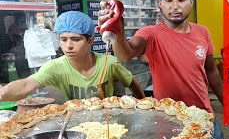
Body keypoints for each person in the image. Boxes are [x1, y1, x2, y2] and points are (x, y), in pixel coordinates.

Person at [98, 0, 224, 139]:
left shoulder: (202, 32)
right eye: (169, 0)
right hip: (169, 124)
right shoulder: (151, 34)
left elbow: (211, 72)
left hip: (205, 117)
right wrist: (118, 31)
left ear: (191, 2)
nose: (175, 6)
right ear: (159, 4)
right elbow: (126, 54)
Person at [0, 11, 145, 102]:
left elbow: (132, 82)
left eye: (75, 39)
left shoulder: (109, 63)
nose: (68, 46)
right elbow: (26, 85)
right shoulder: (55, 67)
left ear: (90, 40)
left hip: (110, 123)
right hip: (78, 125)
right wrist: (2, 93)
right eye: (63, 39)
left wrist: (143, 103)